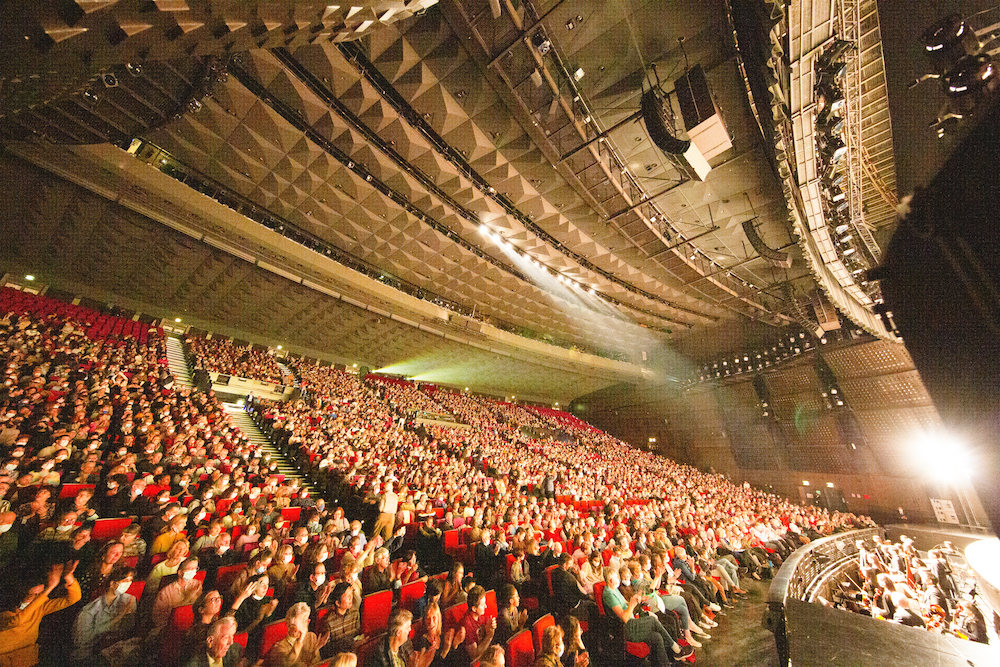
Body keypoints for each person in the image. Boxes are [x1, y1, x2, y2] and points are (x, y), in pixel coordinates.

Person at [601, 567, 692, 667]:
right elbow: (624, 618)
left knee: (657, 637)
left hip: (632, 623)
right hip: (626, 629)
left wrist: (636, 599)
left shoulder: (614, 590)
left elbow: (625, 604)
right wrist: (632, 604)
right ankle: (676, 649)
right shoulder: (609, 594)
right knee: (653, 620)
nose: (618, 579)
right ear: (611, 580)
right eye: (616, 577)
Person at [0, 561, 82, 667]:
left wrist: (68, 576)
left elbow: (73, 598)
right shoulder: (6, 606)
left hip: (25, 659)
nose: (41, 588)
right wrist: (48, 590)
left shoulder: (40, 606)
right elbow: (16, 621)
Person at [71, 565, 137, 663]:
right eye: (124, 580)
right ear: (112, 583)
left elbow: (129, 629)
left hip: (116, 650)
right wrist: (120, 616)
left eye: (130, 580)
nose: (128, 584)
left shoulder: (129, 600)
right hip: (90, 654)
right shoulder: (89, 610)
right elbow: (82, 640)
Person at [262, 602, 329, 667]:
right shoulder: (279, 647)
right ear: (287, 624)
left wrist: (316, 649)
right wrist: (300, 641)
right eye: (292, 625)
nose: (295, 629)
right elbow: (286, 664)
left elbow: (315, 663)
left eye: (301, 623)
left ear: (307, 622)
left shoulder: (311, 637)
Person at [321, 582, 362, 658]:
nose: (351, 598)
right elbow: (328, 649)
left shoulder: (355, 613)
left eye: (351, 594)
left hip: (353, 654)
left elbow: (357, 634)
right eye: (347, 596)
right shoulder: (328, 621)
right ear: (338, 603)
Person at [460, 586, 497, 665]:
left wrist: (491, 627)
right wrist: (489, 636)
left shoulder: (481, 613)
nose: (486, 606)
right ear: (474, 609)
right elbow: (475, 656)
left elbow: (488, 629)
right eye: (482, 604)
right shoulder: (467, 624)